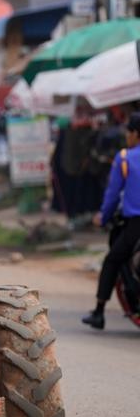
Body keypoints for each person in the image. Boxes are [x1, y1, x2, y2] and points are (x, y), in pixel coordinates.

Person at [82, 114, 140, 329]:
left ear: (135, 134)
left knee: (112, 260)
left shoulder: (125, 158)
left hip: (135, 224)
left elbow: (113, 195)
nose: (127, 136)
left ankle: (99, 312)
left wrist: (103, 216)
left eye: (128, 132)